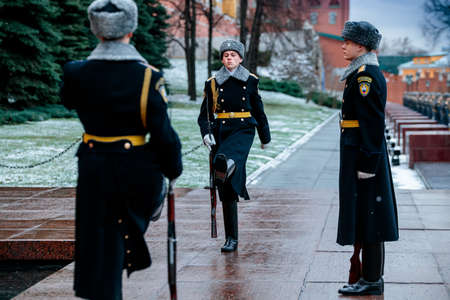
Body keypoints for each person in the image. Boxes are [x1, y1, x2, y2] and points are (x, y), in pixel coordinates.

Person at [60, 0, 182, 298]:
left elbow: (68, 100)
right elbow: (163, 135)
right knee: (115, 241)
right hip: (134, 170)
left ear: (95, 29)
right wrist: (172, 169)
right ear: (131, 28)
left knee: (99, 246)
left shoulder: (76, 73)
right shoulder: (148, 77)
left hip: (93, 169)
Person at [336, 21, 399, 296]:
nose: (343, 45)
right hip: (357, 152)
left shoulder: (366, 76)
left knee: (371, 217)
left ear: (360, 45)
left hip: (363, 156)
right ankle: (369, 277)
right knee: (366, 216)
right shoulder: (360, 72)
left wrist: (367, 165)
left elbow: (372, 125)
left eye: (347, 42)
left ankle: (372, 279)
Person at [198, 40, 271, 252]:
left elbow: (258, 110)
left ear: (240, 58)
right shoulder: (212, 82)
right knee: (226, 186)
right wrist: (206, 134)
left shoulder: (250, 80)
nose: (229, 58)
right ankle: (231, 238)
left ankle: (226, 164)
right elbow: (204, 116)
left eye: (233, 55)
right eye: (226, 55)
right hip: (221, 130)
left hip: (244, 128)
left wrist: (264, 137)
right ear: (222, 59)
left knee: (227, 159)